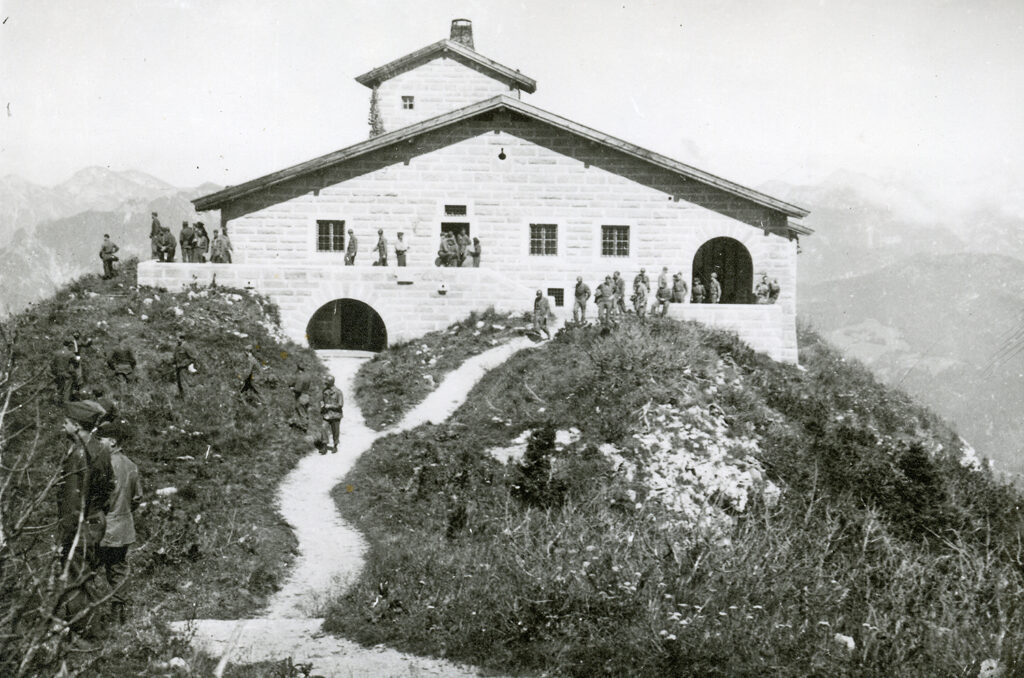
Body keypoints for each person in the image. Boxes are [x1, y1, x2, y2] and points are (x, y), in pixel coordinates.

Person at [57, 400, 114, 644]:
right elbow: (110, 486)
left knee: (76, 578)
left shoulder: (78, 455)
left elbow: (72, 500)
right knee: (85, 574)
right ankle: (86, 629)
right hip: (96, 520)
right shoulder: (101, 449)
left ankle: (88, 635)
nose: (63, 425)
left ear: (77, 425)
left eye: (67, 422)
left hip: (80, 524)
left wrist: (64, 536)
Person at [95, 422, 142, 626]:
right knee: (118, 571)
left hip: (103, 528)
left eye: (101, 440)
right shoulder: (131, 465)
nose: (98, 444)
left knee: (87, 571)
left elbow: (98, 498)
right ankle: (118, 615)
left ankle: (89, 620)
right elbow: (137, 497)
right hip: (123, 528)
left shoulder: (103, 464)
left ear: (112, 441)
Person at [320, 375, 344, 453]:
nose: (325, 384)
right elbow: (322, 400)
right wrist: (322, 404)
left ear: (330, 383)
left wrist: (330, 406)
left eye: (327, 383)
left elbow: (340, 405)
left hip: (335, 415)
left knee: (335, 431)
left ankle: (335, 446)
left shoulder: (338, 392)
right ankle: (324, 446)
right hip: (326, 414)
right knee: (323, 427)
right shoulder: (324, 391)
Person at [52, 339, 77, 404]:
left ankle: (56, 402)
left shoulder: (56, 353)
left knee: (60, 388)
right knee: (67, 389)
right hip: (67, 374)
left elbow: (52, 364)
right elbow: (76, 362)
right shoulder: (70, 353)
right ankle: (66, 404)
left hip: (58, 373)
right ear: (69, 346)